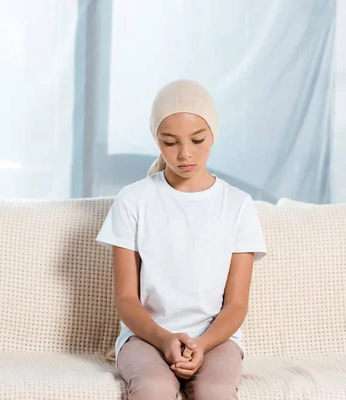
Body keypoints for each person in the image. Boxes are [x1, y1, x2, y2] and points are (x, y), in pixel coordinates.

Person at [96, 79, 267, 399]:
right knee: (154, 389)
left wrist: (202, 344)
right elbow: (126, 300)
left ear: (213, 135)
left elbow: (237, 303)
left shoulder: (238, 205)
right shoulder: (133, 200)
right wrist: (162, 339)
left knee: (215, 392)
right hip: (145, 338)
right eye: (169, 142)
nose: (185, 153)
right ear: (156, 140)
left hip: (216, 341)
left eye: (197, 139)